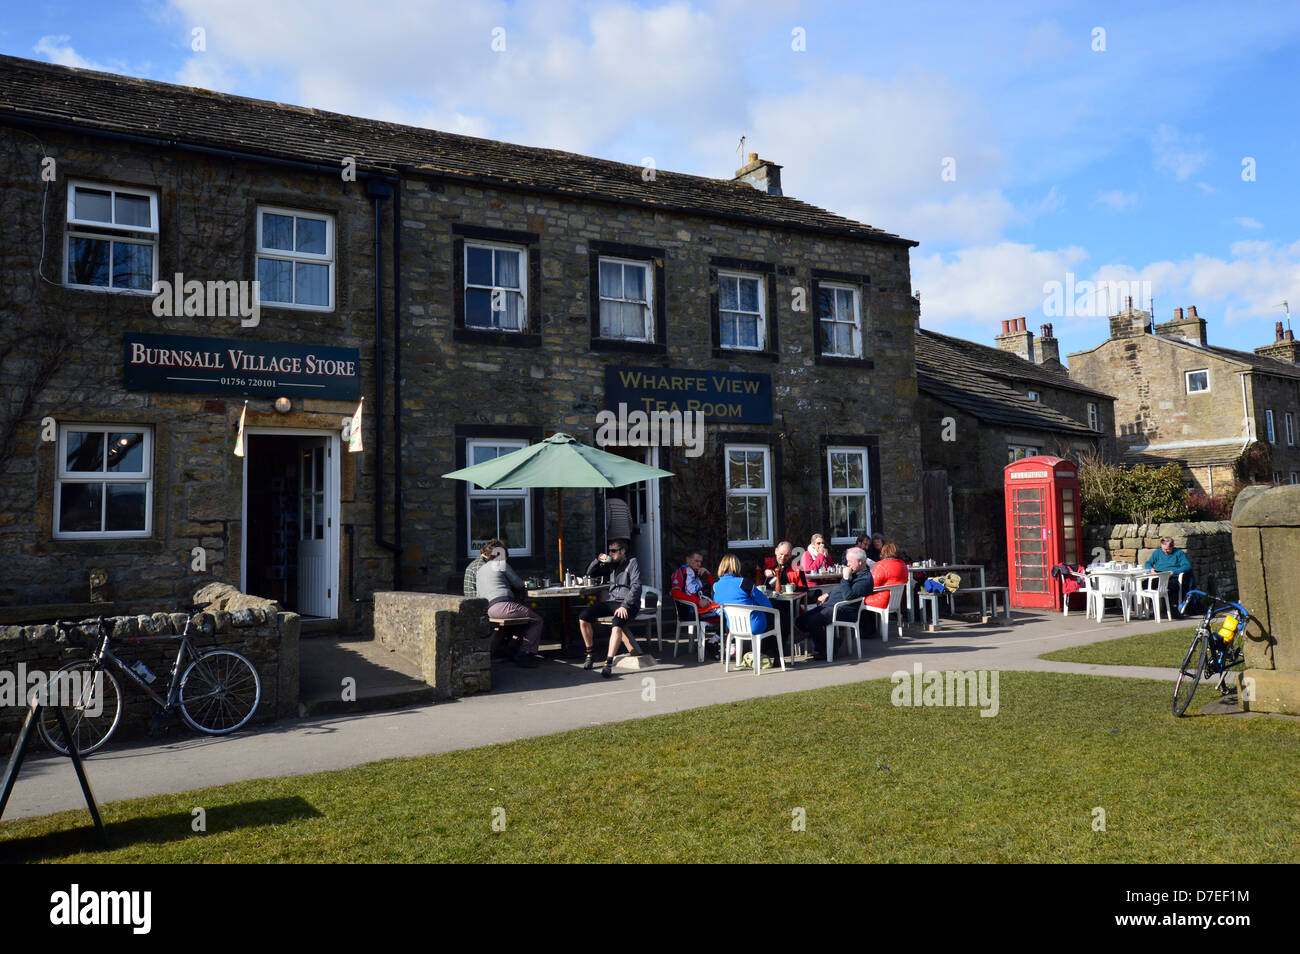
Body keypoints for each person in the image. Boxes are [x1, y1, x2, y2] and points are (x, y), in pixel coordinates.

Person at [578, 538, 643, 676]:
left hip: (629, 604)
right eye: (609, 551)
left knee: (617, 623)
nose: (610, 554)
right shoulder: (611, 564)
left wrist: (625, 605)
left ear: (623, 551)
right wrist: (597, 560)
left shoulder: (632, 563)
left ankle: (608, 662)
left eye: (613, 551)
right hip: (612, 601)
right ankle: (590, 654)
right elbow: (589, 574)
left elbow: (636, 587)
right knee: (584, 617)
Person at [795, 547, 875, 659]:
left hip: (845, 610)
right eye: (847, 561)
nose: (847, 564)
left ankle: (825, 650)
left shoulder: (865, 579)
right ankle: (831, 642)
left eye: (850, 562)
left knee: (813, 621)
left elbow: (849, 596)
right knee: (801, 620)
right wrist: (828, 594)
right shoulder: (854, 572)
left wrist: (846, 578)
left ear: (860, 562)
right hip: (831, 605)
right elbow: (841, 589)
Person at [474, 539, 542, 667]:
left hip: (488, 609)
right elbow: (519, 584)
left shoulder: (481, 570)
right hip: (502, 606)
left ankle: (512, 649)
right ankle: (525, 653)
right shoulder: (500, 564)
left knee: (522, 621)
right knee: (536, 620)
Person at [712, 553, 783, 660]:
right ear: (737, 566)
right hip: (754, 625)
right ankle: (776, 656)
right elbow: (766, 603)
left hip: (733, 626)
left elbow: (718, 603)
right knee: (774, 616)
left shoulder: (715, 586)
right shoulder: (744, 583)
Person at [1144, 536, 1195, 617]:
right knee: (1146, 584)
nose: (1165, 551)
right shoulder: (1157, 552)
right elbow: (1148, 563)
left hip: (1171, 576)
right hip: (1158, 575)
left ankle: (1173, 609)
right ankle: (1150, 608)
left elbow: (1187, 566)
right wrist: (1151, 569)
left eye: (1168, 549)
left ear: (1172, 546)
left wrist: (1174, 572)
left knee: (1173, 586)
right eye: (1163, 549)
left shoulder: (1179, 553)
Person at [864, 542, 909, 615]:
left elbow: (872, 584)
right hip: (896, 601)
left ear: (884, 552)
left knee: (858, 600)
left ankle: (865, 626)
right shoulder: (903, 565)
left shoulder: (881, 565)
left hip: (880, 601)